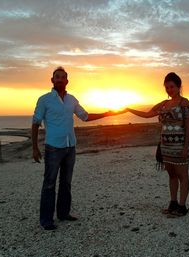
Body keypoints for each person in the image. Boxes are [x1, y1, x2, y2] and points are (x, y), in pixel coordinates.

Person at [32, 67, 126, 230]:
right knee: (49, 183)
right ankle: (46, 220)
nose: (60, 79)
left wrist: (108, 114)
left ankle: (63, 213)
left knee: (66, 183)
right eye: (57, 77)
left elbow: (85, 116)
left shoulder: (72, 100)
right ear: (52, 80)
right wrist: (34, 148)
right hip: (53, 147)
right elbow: (35, 123)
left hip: (70, 147)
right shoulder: (44, 100)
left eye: (63, 77)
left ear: (67, 81)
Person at [127, 72, 189, 217]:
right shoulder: (164, 104)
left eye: (172, 86)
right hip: (166, 146)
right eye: (167, 87)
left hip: (179, 146)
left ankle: (182, 207)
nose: (169, 90)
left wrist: (185, 147)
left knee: (183, 175)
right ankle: (173, 203)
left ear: (179, 86)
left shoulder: (184, 103)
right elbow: (147, 114)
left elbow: (188, 128)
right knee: (171, 175)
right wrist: (128, 109)